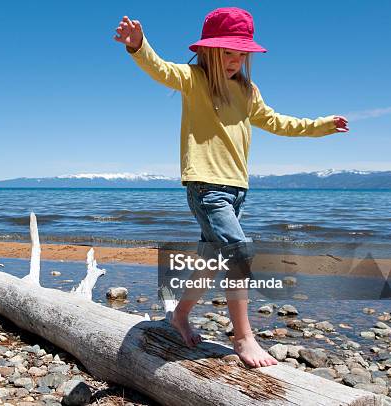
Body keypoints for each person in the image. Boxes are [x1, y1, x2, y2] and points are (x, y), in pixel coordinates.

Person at [114, 7, 349, 368]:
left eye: (241, 54)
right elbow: (159, 68)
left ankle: (179, 315)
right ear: (208, 50)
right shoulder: (193, 78)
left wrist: (321, 125)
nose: (234, 60)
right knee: (238, 254)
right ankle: (243, 336)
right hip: (206, 186)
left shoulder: (248, 91)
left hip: (237, 188)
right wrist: (138, 45)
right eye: (227, 52)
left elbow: (277, 122)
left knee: (211, 261)